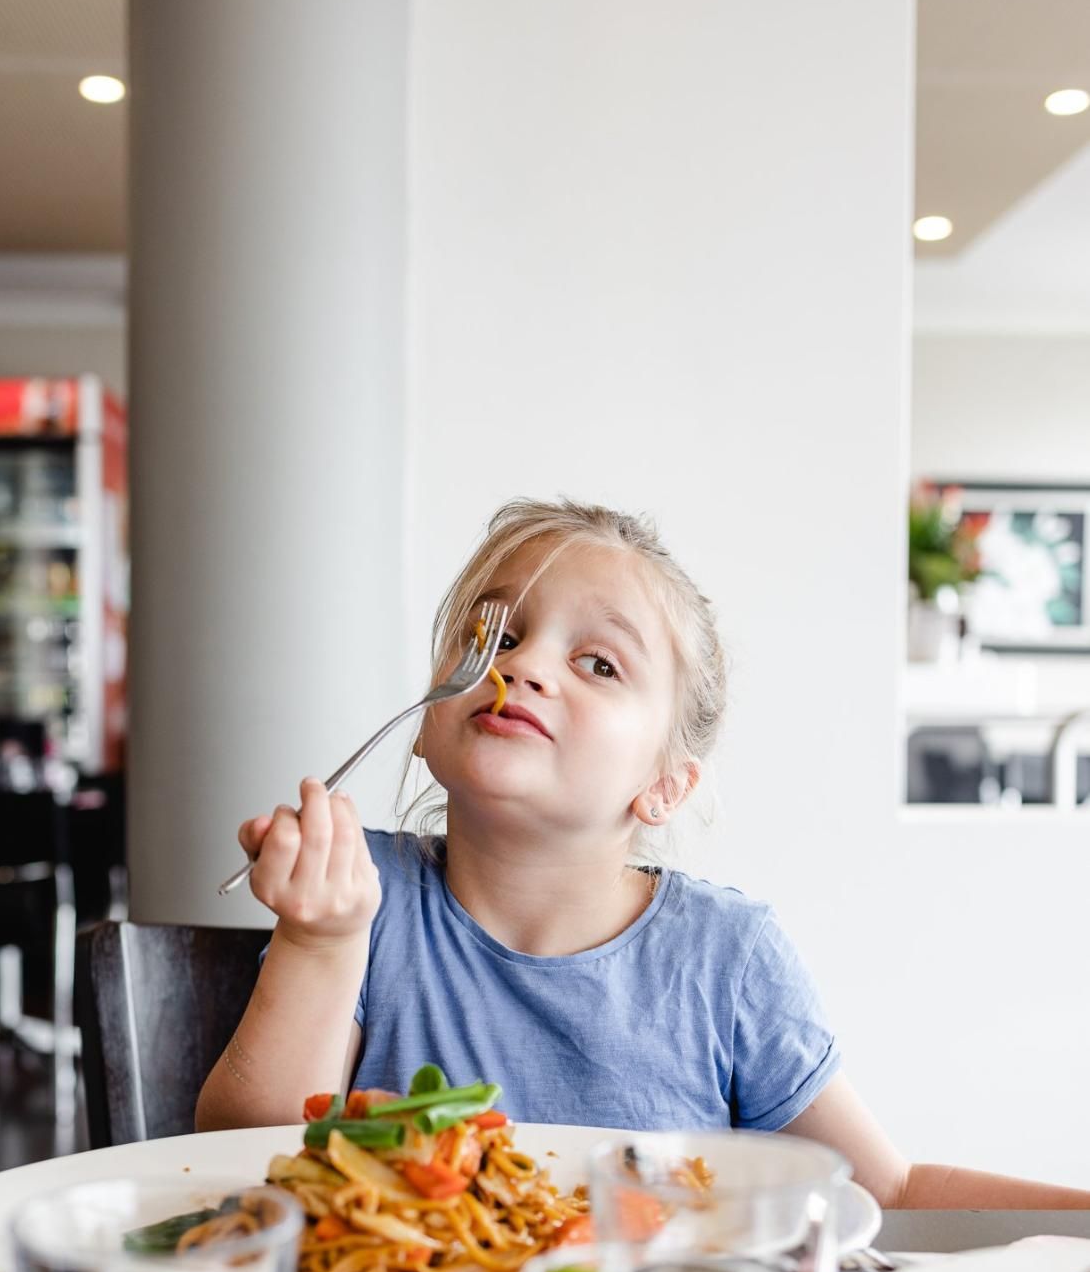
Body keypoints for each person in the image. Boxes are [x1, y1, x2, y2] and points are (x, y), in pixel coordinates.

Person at [197, 498, 1090, 1209]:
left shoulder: (727, 958)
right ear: (430, 727)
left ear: (663, 785)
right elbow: (245, 1170)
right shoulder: (365, 897)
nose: (524, 665)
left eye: (599, 664)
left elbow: (886, 1194)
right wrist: (321, 941)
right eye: (496, 636)